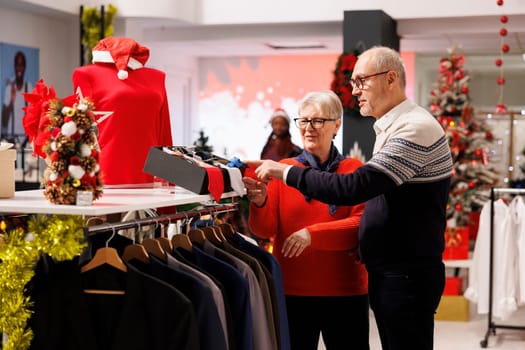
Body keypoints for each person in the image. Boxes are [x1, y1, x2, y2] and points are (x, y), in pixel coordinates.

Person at [245, 46, 453, 350]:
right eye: (303, 120)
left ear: (391, 78)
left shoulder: (412, 128)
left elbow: (356, 188)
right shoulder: (390, 127)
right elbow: (265, 228)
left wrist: (288, 178)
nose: (354, 91)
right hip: (388, 273)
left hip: (402, 275)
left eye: (361, 81)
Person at [244, 91, 369, 350]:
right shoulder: (283, 168)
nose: (308, 128)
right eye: (303, 121)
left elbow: (360, 227)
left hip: (345, 291)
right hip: (292, 292)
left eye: (318, 121)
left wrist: (311, 234)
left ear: (337, 124)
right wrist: (260, 203)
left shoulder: (354, 170)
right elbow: (264, 230)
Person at [2, 51, 32, 142]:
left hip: (26, 140)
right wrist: (12, 100)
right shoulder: (9, 87)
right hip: (11, 140)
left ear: (25, 67)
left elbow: (33, 116)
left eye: (22, 65)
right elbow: (4, 120)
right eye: (17, 65)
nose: (20, 68)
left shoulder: (29, 87)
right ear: (14, 67)